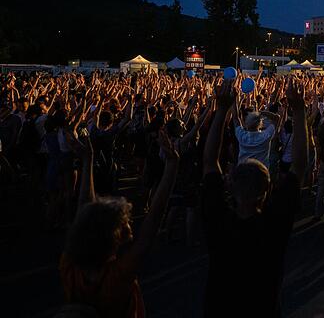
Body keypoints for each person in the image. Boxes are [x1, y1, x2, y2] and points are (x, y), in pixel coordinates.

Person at [200, 78, 307, 317]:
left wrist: (222, 110)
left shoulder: (218, 223)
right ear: (268, 189)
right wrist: (299, 111)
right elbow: (299, 166)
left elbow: (209, 162)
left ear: (230, 185)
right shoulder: (273, 226)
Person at [60, 129, 179, 318]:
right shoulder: (115, 277)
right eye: (125, 224)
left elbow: (85, 212)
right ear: (114, 236)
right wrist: (172, 166)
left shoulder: (71, 269)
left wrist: (87, 160)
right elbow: (153, 221)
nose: (130, 228)